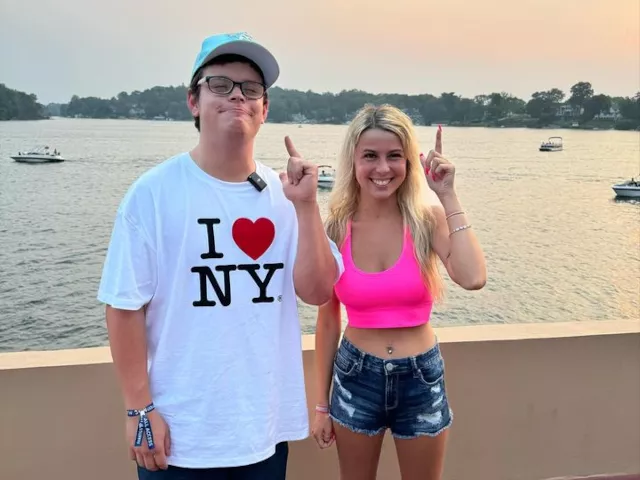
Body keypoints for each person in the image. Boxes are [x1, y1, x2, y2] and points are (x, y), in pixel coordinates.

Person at [97, 31, 344, 479]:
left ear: (264, 109)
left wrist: (307, 206)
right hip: (178, 437)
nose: (237, 96)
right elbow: (123, 306)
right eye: (220, 84)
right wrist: (138, 409)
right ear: (194, 101)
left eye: (251, 88)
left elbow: (318, 291)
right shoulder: (153, 194)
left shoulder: (286, 196)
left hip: (263, 432)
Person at [311, 105, 487, 480]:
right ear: (353, 160)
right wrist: (321, 406)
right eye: (370, 156)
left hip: (420, 377)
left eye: (394, 156)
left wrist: (448, 195)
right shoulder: (337, 228)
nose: (383, 168)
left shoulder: (426, 220)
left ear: (408, 161)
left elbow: (473, 277)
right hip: (355, 376)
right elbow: (327, 322)